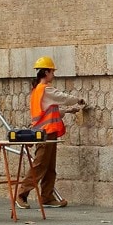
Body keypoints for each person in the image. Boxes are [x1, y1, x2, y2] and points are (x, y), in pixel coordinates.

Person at [16, 56, 83, 209]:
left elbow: (51, 111)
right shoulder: (45, 89)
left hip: (46, 133)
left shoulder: (38, 90)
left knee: (49, 167)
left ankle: (47, 197)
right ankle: (21, 194)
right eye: (52, 71)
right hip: (45, 133)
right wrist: (77, 100)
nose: (54, 74)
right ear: (46, 72)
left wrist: (68, 111)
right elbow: (62, 98)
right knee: (39, 165)